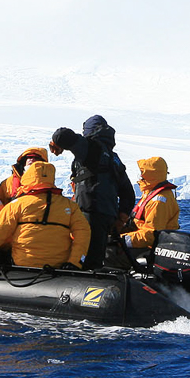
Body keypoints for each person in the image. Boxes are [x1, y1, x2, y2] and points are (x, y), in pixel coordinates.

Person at [0, 161, 90, 269]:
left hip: (23, 265)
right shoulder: (69, 205)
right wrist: (75, 262)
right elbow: (83, 232)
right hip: (57, 267)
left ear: (28, 177)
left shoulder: (17, 205)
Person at [49, 115, 135, 268]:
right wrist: (120, 220)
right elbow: (128, 194)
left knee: (85, 260)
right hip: (107, 216)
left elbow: (61, 135)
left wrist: (56, 142)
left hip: (90, 214)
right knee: (95, 259)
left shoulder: (90, 147)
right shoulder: (114, 159)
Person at [122, 156, 180, 252]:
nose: (140, 176)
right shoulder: (150, 194)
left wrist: (121, 240)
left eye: (143, 173)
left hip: (149, 249)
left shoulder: (158, 201)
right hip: (142, 242)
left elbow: (151, 235)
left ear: (152, 175)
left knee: (108, 254)